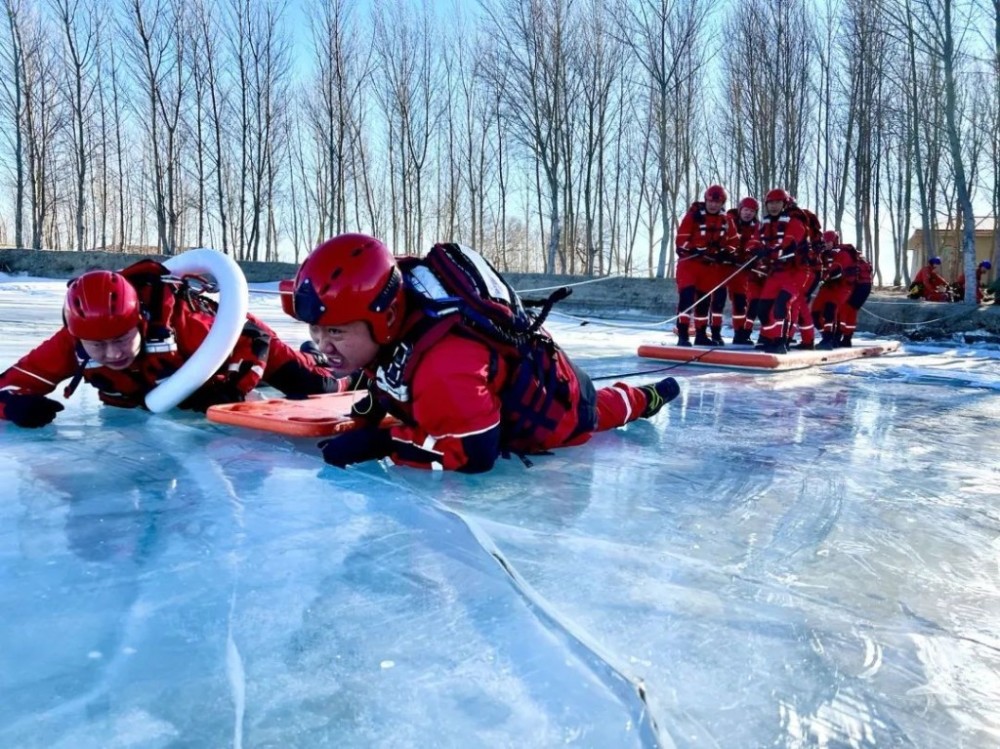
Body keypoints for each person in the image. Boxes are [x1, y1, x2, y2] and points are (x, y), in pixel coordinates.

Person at [284, 234, 681, 473]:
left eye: (335, 331)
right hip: (499, 377)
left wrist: (383, 444)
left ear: (384, 317)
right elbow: (387, 365)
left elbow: (475, 455)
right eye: (316, 332)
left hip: (559, 406)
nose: (323, 346)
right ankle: (641, 397)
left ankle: (650, 397)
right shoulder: (395, 310)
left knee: (600, 411)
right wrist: (373, 405)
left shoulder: (443, 369)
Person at [0, 258, 349, 428]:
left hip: (229, 337)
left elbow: (253, 339)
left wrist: (231, 388)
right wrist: (13, 407)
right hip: (179, 379)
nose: (112, 354)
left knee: (322, 386)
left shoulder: (178, 324)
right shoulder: (71, 340)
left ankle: (313, 356)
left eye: (121, 339)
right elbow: (6, 387)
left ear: (139, 321)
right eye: (97, 346)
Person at [674, 185, 740, 346]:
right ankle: (683, 334)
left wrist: (727, 252)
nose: (713, 205)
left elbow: (734, 242)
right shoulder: (693, 217)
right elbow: (681, 240)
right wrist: (694, 248)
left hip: (710, 268)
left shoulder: (727, 220)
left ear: (722, 203)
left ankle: (701, 334)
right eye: (711, 201)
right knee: (687, 298)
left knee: (704, 302)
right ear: (706, 200)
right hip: (690, 264)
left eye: (717, 202)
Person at [755, 188, 810, 353]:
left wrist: (768, 252)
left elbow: (789, 245)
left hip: (796, 272)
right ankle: (771, 337)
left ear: (784, 204)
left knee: (781, 305)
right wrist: (755, 250)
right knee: (763, 309)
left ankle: (781, 342)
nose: (773, 206)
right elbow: (754, 241)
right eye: (770, 203)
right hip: (776, 273)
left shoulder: (795, 223)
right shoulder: (764, 224)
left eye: (777, 203)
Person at [725, 197, 760, 344]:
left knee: (740, 301)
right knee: (717, 300)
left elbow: (756, 244)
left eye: (752, 211)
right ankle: (713, 333)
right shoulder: (729, 221)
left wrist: (753, 258)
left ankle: (739, 334)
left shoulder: (757, 227)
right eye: (746, 210)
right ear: (740, 210)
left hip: (743, 269)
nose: (748, 214)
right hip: (725, 265)